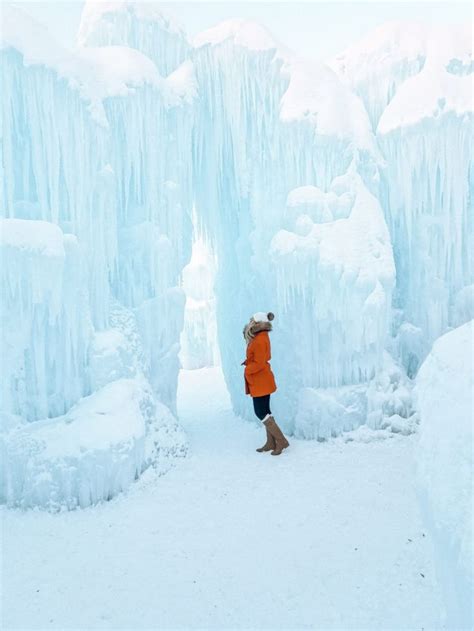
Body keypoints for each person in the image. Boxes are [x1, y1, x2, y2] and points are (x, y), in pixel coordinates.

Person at [242, 312, 290, 456]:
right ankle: (271, 442)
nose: (250, 321)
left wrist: (248, 369)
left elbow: (260, 362)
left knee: (260, 412)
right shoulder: (260, 337)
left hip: (260, 380)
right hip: (261, 379)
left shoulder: (260, 339)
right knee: (266, 411)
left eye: (252, 320)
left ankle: (281, 441)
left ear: (257, 323)